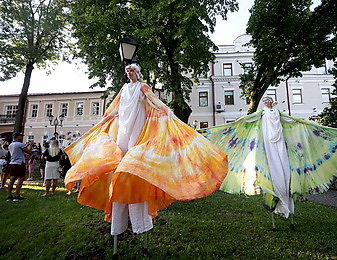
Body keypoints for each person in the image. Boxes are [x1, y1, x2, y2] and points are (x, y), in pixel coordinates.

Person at [64, 63, 228, 238]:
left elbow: (153, 100)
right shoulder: (124, 88)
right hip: (122, 125)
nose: (129, 73)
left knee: (134, 156)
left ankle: (139, 219)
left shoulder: (142, 86)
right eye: (127, 71)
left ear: (137, 73)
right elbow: (115, 106)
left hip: (139, 123)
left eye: (132, 71)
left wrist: (167, 111)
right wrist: (105, 118)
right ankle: (120, 218)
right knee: (120, 157)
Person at [200, 96, 337, 229]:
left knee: (284, 174)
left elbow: (295, 121)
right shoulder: (260, 115)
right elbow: (243, 121)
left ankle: (286, 205)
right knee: (273, 174)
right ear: (263, 104)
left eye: (269, 101)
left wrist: (308, 124)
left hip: (280, 146)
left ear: (272, 103)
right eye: (265, 102)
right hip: (266, 146)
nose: (267, 103)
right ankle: (278, 204)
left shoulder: (280, 114)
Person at [7, 132, 33, 201]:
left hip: (12, 162)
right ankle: (17, 195)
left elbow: (18, 151)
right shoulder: (20, 144)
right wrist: (30, 145)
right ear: (18, 137)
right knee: (20, 179)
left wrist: (26, 145)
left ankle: (9, 195)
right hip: (19, 163)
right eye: (21, 136)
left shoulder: (11, 145)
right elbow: (29, 151)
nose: (21, 138)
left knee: (12, 179)